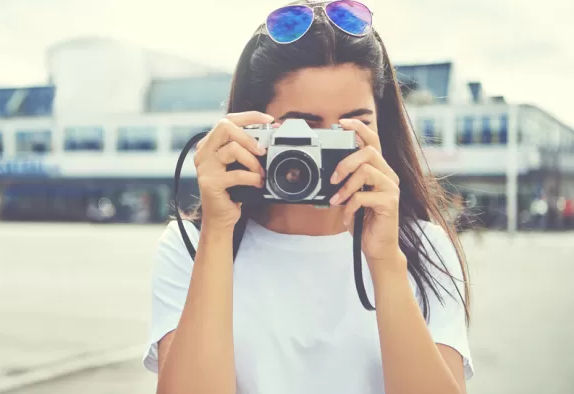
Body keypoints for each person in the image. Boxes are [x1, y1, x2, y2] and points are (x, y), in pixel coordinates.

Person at [144, 2, 473, 393]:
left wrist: (385, 261)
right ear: (251, 129)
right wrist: (217, 231)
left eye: (352, 126)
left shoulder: (423, 250)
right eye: (304, 127)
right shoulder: (191, 248)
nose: (323, 150)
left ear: (380, 126)